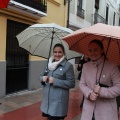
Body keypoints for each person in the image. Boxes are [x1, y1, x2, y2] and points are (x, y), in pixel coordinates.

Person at [79, 39, 120, 120]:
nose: (92, 53)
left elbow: (118, 88)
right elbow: (82, 84)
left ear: (102, 50)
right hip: (88, 111)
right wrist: (89, 94)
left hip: (106, 112)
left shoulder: (112, 66)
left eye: (95, 50)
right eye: (90, 50)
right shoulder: (86, 66)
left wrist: (101, 91)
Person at [39, 43, 75, 120]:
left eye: (60, 52)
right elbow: (40, 76)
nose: (57, 54)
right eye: (55, 52)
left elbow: (71, 83)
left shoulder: (68, 66)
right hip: (47, 101)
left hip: (58, 103)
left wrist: (56, 81)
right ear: (53, 53)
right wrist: (42, 78)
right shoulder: (47, 64)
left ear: (63, 53)